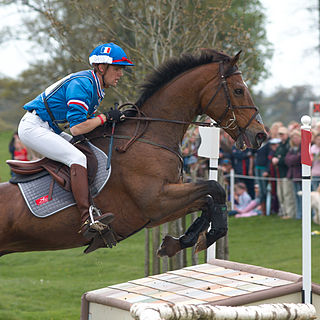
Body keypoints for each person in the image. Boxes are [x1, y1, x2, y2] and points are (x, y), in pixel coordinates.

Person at [18, 42, 134, 240]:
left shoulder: (95, 86)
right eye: (117, 69)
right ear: (101, 67)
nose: (120, 74)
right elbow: (77, 128)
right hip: (33, 127)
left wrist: (111, 120)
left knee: (87, 150)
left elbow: (87, 125)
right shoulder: (83, 84)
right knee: (77, 158)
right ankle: (86, 218)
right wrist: (105, 117)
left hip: (47, 127)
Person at [272, 126, 296, 218]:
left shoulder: (288, 144)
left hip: (286, 173)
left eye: (282, 134)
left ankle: (290, 213)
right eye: (280, 134)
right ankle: (284, 212)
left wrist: (279, 160)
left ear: (287, 134)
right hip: (279, 173)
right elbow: (276, 155)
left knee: (287, 194)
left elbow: (287, 159)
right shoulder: (280, 145)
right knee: (280, 194)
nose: (281, 136)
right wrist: (275, 159)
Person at [285, 130, 302, 219]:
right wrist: (295, 159)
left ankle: (303, 214)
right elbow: (287, 160)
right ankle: (298, 215)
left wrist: (293, 159)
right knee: (296, 196)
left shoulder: (302, 147)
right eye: (293, 138)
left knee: (302, 196)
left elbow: (299, 159)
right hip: (294, 175)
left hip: (300, 175)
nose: (295, 139)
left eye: (296, 137)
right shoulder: (292, 149)